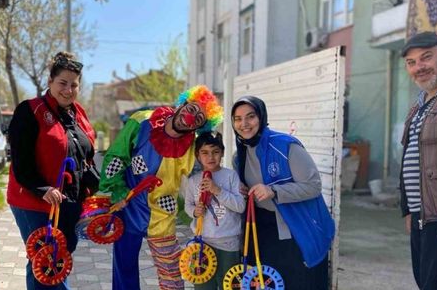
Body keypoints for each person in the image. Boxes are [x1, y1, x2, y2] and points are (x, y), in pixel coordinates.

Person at [99, 85, 223, 290]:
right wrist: (116, 189)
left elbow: (209, 168)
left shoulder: (193, 147)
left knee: (171, 273)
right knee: (124, 267)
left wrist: (230, 185)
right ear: (183, 104)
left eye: (199, 119)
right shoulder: (142, 120)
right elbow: (117, 157)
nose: (191, 118)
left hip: (162, 212)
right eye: (192, 109)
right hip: (128, 206)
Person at [6, 52, 97, 290]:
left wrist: (97, 188)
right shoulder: (30, 110)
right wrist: (42, 188)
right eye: (62, 83)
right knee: (47, 261)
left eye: (74, 85)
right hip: (34, 202)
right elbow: (19, 160)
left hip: (69, 202)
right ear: (50, 82)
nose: (68, 90)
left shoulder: (79, 114)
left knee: (56, 261)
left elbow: (86, 156)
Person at [231, 96, 335, 290]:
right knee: (266, 281)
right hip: (261, 228)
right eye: (237, 118)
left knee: (298, 282)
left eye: (250, 116)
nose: (244, 124)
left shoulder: (286, 146)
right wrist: (244, 191)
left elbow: (313, 185)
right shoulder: (239, 156)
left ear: (261, 117)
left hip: (295, 228)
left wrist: (274, 191)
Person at [399, 32, 437, 290]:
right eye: (411, 62)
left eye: (425, 57)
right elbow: (409, 160)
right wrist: (407, 208)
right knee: (424, 281)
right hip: (421, 214)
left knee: (435, 284)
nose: (418, 67)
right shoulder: (418, 106)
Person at [183, 132, 245, 290]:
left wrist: (217, 190)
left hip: (228, 244)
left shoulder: (231, 176)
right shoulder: (193, 181)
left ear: (222, 153)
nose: (210, 157)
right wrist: (195, 212)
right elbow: (188, 205)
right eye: (204, 152)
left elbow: (240, 206)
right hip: (202, 244)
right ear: (198, 155)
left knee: (229, 284)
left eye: (215, 152)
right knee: (203, 286)